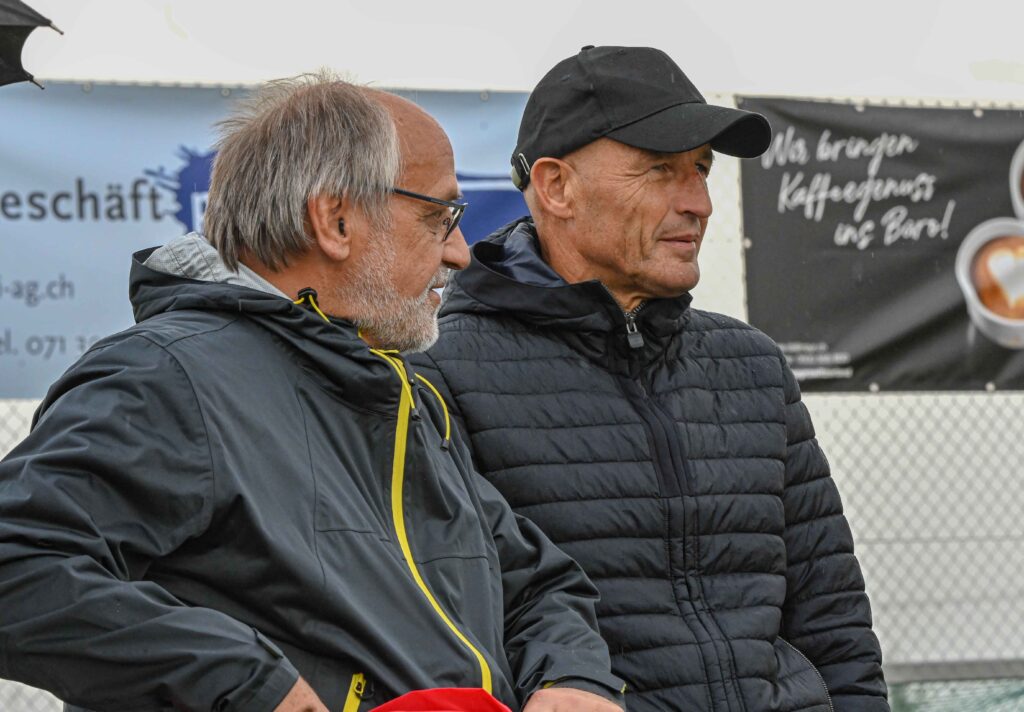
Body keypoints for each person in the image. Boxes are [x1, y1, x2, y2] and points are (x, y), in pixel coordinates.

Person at [0, 72, 626, 712]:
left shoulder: (397, 395)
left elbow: (531, 581)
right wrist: (247, 685)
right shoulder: (168, 377)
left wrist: (570, 678)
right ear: (335, 220)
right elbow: (17, 563)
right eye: (439, 218)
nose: (459, 253)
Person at [415, 46, 890, 712]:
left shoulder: (751, 365)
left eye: (702, 170)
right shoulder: (439, 375)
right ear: (556, 187)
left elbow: (834, 623)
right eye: (661, 170)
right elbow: (454, 635)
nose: (699, 203)